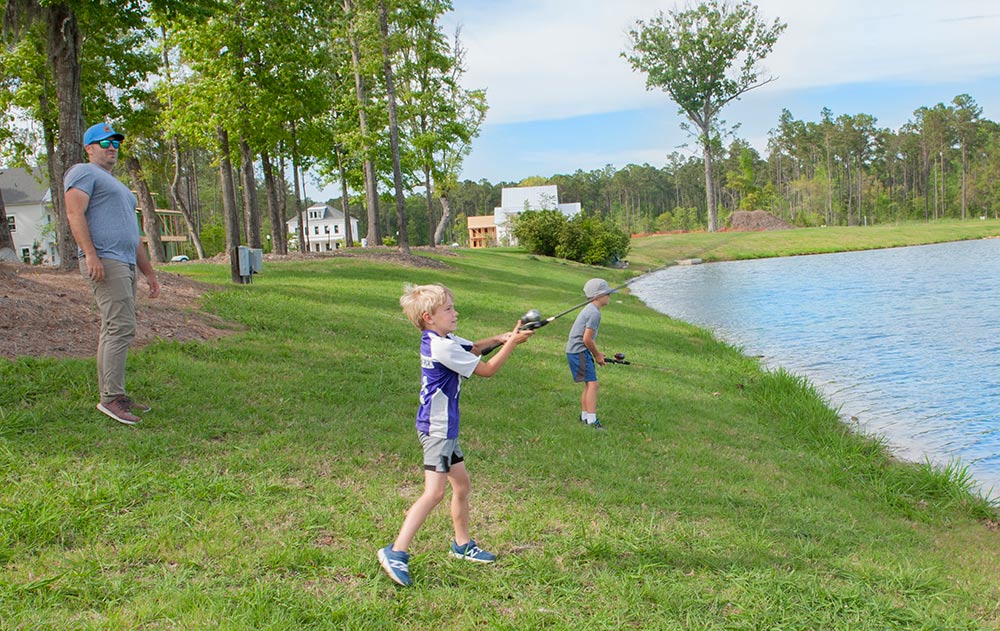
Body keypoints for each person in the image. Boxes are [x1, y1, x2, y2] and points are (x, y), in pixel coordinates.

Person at [377, 283, 534, 587]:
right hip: (437, 430)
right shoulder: (442, 346)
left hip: (445, 429)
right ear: (428, 317)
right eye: (448, 309)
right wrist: (512, 345)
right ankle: (396, 550)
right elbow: (486, 369)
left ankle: (462, 545)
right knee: (434, 492)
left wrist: (506, 336)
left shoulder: (441, 338)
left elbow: (474, 348)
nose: (455, 312)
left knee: (461, 485)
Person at [65, 122, 161, 426]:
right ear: (90, 148)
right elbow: (73, 212)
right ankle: (110, 398)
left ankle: (116, 394)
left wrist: (149, 273)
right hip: (104, 259)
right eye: (105, 142)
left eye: (116, 143)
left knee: (120, 325)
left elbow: (131, 235)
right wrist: (90, 255)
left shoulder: (118, 186)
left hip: (124, 261)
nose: (111, 147)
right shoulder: (83, 171)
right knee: (119, 326)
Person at [566, 278, 616, 429]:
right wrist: (598, 355)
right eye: (607, 293)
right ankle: (592, 421)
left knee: (589, 384)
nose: (609, 296)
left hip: (577, 351)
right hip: (579, 351)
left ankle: (585, 416)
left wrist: (596, 353)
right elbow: (587, 339)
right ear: (598, 296)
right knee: (593, 385)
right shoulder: (594, 313)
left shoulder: (590, 309)